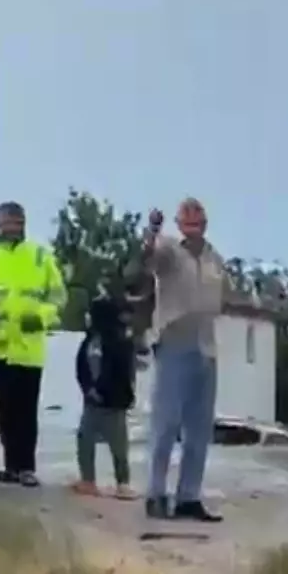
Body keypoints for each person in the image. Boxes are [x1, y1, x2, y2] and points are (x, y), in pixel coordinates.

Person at [140, 197, 227, 522]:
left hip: (205, 344)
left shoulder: (214, 258)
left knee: (199, 428)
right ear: (178, 224)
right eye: (186, 219)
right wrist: (151, 230)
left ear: (205, 223)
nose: (193, 224)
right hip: (175, 339)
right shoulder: (169, 252)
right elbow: (147, 258)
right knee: (166, 423)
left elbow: (221, 296)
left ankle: (189, 496)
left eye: (198, 218)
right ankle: (156, 493)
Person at [0, 201, 65, 487]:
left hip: (28, 347)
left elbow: (58, 298)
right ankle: (11, 466)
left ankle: (25, 467)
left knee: (25, 410)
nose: (14, 226)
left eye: (19, 221)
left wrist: (40, 318)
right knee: (5, 410)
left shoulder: (40, 255)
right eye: (8, 221)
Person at [73, 290, 137, 499]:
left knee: (118, 446)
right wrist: (87, 389)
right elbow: (81, 367)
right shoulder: (89, 341)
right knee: (85, 439)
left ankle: (123, 483)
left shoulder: (120, 342)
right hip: (92, 402)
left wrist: (101, 390)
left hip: (113, 403)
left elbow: (120, 372)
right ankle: (88, 480)